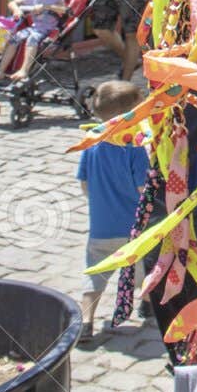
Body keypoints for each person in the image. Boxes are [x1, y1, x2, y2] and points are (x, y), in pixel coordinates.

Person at [76, 80, 150, 341]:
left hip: (101, 226)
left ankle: (86, 321)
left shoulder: (91, 141)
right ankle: (148, 303)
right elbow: (144, 189)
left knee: (95, 273)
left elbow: (84, 185)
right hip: (134, 228)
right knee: (143, 270)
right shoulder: (135, 147)